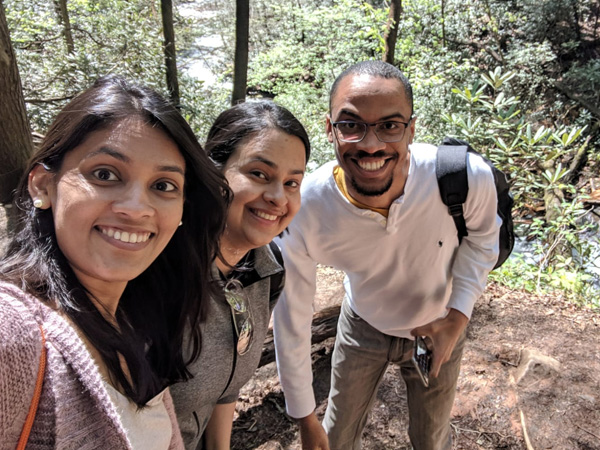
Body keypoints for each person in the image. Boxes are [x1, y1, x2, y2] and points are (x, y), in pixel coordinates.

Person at [272, 60, 501, 450]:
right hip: (362, 324)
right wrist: (303, 417)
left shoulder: (464, 178)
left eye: (390, 126)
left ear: (412, 129)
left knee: (432, 439)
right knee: (336, 435)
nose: (371, 144)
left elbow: (483, 240)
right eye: (351, 125)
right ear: (329, 129)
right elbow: (291, 315)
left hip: (440, 323)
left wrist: (458, 314)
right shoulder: (306, 207)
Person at [0, 75, 230, 449]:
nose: (137, 209)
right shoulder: (13, 333)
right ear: (43, 185)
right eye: (105, 174)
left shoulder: (138, 322)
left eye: (163, 186)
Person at [170, 101, 311, 450]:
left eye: (292, 182)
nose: (279, 197)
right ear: (212, 172)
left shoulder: (267, 271)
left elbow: (225, 388)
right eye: (260, 174)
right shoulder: (159, 272)